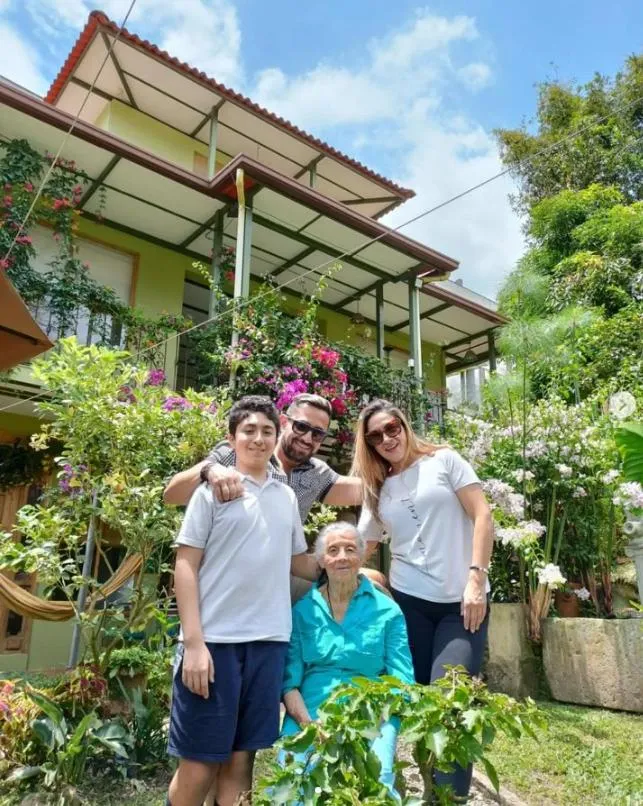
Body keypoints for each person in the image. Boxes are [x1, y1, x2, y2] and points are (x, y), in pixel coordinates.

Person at [166, 396, 320, 806]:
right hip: (214, 644)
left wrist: (350, 567)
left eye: (267, 431)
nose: (258, 438)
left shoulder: (285, 496)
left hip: (268, 642)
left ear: (277, 436)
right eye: (248, 431)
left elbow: (296, 562)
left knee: (241, 761)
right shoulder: (212, 491)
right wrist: (194, 644)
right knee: (198, 766)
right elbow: (185, 566)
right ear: (232, 438)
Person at [352, 399, 494, 800]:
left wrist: (475, 580)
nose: (386, 439)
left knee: (450, 703)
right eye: (375, 436)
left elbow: (482, 515)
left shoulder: (445, 460)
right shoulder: (378, 487)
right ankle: (415, 786)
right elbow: (364, 543)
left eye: (391, 427)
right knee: (410, 700)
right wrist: (351, 575)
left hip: (462, 603)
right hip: (409, 603)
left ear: (405, 424)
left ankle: (448, 798)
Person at [164, 392, 387, 597]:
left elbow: (369, 488)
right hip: (228, 578)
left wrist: (395, 460)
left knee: (374, 586)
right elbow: (172, 494)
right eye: (301, 427)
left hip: (284, 574)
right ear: (283, 422)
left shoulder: (316, 474)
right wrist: (209, 469)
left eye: (317, 434)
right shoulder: (241, 452)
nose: (308, 438)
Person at [280, 521, 414, 799]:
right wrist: (308, 725)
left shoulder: (388, 611)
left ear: (362, 557)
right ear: (321, 560)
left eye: (350, 549)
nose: (342, 556)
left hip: (373, 713)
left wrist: (376, 719)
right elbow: (289, 684)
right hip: (310, 713)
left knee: (377, 784)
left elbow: (403, 679)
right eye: (333, 550)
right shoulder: (302, 611)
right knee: (293, 785)